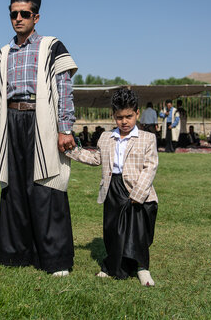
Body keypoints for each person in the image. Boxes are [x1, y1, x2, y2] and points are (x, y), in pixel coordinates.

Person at [0, 0, 77, 277]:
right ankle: (16, 254)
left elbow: (64, 90)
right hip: (10, 121)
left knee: (46, 186)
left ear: (36, 16)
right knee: (14, 187)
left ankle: (55, 259)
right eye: (14, 14)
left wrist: (65, 129)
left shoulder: (51, 46)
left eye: (24, 14)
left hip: (42, 120)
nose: (18, 19)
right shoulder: (2, 54)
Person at [66, 89, 158, 286]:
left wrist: (138, 193)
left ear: (137, 114)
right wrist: (72, 151)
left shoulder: (147, 138)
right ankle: (112, 266)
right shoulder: (106, 137)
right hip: (112, 189)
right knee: (113, 230)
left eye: (129, 117)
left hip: (136, 191)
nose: (124, 122)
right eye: (119, 117)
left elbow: (150, 167)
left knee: (137, 232)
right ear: (113, 115)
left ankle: (142, 268)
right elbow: (96, 158)